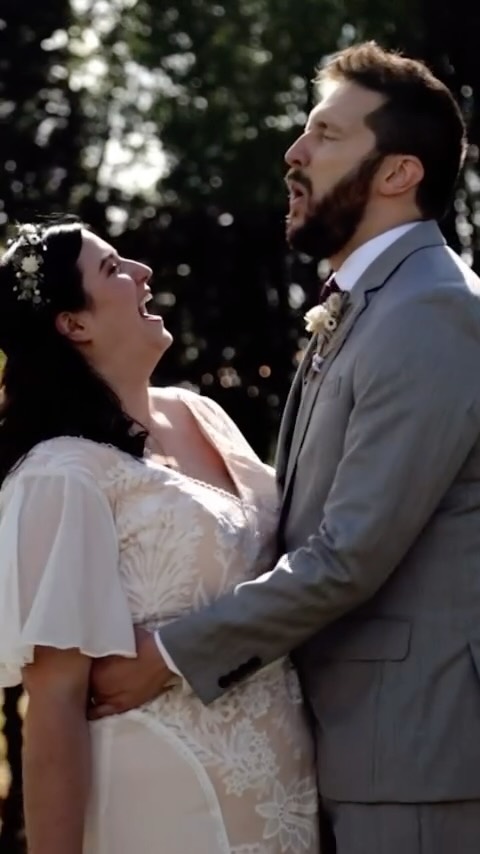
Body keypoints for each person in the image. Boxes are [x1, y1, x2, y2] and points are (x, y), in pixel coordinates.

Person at [90, 42, 480, 854]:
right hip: (358, 747)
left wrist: (168, 655)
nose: (294, 153)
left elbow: (349, 553)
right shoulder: (375, 303)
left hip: (417, 755)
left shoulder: (431, 311)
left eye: (326, 134)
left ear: (398, 172)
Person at [0, 221, 319, 854]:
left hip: (285, 788)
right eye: (113, 268)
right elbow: (56, 703)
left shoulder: (202, 412)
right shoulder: (61, 475)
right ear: (74, 323)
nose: (142, 271)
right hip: (168, 803)